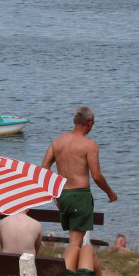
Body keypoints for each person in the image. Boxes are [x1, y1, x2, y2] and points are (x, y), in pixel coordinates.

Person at [41, 106, 117, 252]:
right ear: (89, 123)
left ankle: (73, 270)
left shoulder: (57, 142)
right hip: (80, 196)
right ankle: (68, 273)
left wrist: (54, 192)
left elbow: (44, 168)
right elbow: (97, 176)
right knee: (75, 243)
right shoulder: (89, 145)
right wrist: (110, 192)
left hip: (62, 195)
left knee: (74, 238)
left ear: (74, 120)